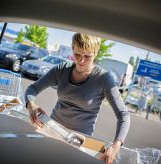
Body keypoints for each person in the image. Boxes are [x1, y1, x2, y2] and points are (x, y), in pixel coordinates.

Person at [25, 33, 130, 164]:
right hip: (52, 131)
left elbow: (123, 115)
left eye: (87, 56)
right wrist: (31, 105)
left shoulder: (104, 78)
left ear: (96, 53)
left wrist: (115, 147)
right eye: (77, 55)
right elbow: (32, 88)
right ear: (72, 48)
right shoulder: (61, 70)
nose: (81, 61)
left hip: (80, 142)